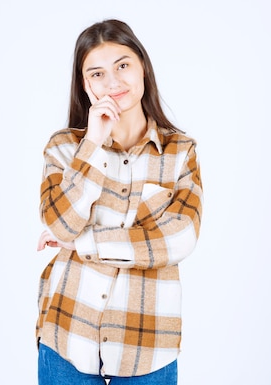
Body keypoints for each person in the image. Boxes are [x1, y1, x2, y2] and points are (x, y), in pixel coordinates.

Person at [35, 19, 203, 385]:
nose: (112, 83)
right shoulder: (64, 148)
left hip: (147, 345)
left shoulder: (180, 154)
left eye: (122, 65)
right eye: (97, 73)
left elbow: (178, 239)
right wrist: (93, 144)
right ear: (85, 85)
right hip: (67, 337)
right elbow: (60, 223)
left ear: (143, 66)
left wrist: (84, 243)